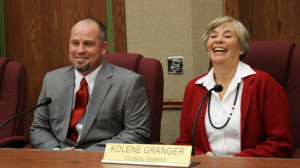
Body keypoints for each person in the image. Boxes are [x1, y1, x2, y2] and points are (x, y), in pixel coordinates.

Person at [175, 16, 293, 157]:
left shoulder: (264, 84)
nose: (218, 40)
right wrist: (201, 157)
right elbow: (185, 142)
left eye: (227, 35)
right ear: (208, 48)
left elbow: (280, 143)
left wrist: (235, 162)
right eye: (213, 36)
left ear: (241, 48)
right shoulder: (194, 88)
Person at [30, 17, 151, 151]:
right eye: (75, 43)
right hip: (59, 158)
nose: (80, 50)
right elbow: (39, 128)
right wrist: (56, 151)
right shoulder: (52, 79)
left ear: (104, 47)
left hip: (100, 159)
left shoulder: (129, 83)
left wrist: (87, 154)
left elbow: (137, 132)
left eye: (88, 44)